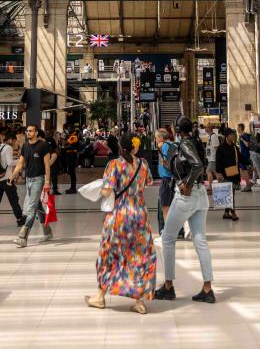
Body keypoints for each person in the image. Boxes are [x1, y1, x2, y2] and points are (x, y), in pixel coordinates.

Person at [84, 133, 157, 314]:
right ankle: (139, 301)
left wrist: (98, 189)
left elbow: (107, 192)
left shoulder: (114, 164)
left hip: (119, 216)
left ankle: (100, 296)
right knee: (139, 255)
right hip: (139, 215)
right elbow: (148, 182)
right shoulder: (143, 164)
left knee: (109, 253)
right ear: (135, 147)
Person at [154, 117, 215, 304]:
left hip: (186, 196)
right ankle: (207, 288)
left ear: (177, 130)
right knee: (200, 239)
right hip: (201, 195)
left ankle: (168, 286)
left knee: (168, 238)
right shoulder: (196, 142)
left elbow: (197, 165)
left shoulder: (186, 144)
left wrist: (186, 184)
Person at [9, 125, 53, 248]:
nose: (28, 133)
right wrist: (12, 177)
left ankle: (23, 237)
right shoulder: (25, 146)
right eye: (27, 131)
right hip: (28, 180)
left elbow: (47, 165)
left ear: (36, 133)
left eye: (31, 131)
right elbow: (20, 163)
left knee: (31, 208)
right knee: (37, 206)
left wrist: (47, 181)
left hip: (38, 179)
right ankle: (48, 232)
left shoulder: (43, 145)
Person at [0, 131, 25, 230]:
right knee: (14, 200)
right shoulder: (8, 148)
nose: (15, 143)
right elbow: (10, 163)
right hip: (7, 179)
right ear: (11, 140)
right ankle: (20, 219)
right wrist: (20, 160)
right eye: (15, 141)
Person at [215, 128, 241, 221]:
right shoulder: (221, 148)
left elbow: (240, 158)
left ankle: (226, 213)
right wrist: (218, 173)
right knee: (229, 194)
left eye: (233, 134)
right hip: (225, 174)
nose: (233, 136)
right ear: (227, 136)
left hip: (234, 173)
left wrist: (248, 163)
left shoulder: (235, 147)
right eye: (231, 134)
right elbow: (218, 161)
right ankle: (233, 212)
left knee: (230, 193)